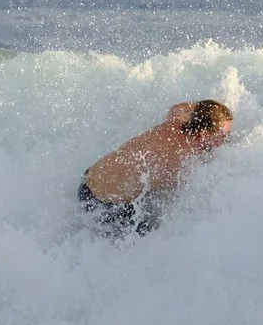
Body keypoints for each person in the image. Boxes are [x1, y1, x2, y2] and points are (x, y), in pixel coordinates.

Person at [78, 99, 234, 235]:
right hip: (103, 208)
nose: (226, 139)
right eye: (223, 135)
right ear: (204, 134)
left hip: (88, 181)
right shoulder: (180, 160)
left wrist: (211, 110)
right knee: (156, 234)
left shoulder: (176, 120)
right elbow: (183, 197)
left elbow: (179, 107)